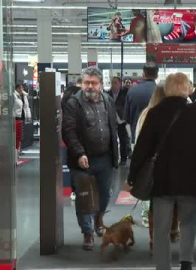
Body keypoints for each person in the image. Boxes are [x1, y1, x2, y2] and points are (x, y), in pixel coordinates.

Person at [126, 73, 196, 270]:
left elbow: (141, 150)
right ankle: (186, 262)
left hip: (163, 182)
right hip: (193, 181)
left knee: (161, 227)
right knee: (189, 223)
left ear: (167, 89)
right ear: (188, 88)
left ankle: (163, 266)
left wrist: (131, 178)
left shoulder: (154, 113)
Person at [62, 67, 119, 251]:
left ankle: (98, 220)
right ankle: (87, 232)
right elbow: (68, 131)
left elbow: (113, 127)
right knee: (84, 196)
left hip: (105, 158)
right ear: (82, 83)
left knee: (105, 194)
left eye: (94, 83)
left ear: (101, 84)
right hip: (82, 159)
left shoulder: (108, 101)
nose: (90, 86)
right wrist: (79, 153)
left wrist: (120, 152)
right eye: (86, 82)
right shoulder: (73, 103)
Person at [133, 82, 180, 253]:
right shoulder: (176, 113)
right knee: (174, 200)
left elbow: (139, 142)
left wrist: (135, 171)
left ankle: (154, 241)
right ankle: (173, 230)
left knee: (154, 204)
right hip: (174, 166)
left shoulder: (146, 114)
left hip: (152, 167)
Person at [124, 62, 159, 143]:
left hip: (137, 137)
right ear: (156, 76)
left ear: (143, 74)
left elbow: (127, 119)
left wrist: (131, 137)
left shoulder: (132, 91)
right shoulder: (162, 92)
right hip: (156, 140)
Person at [105, 77, 130, 166]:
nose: (113, 85)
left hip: (121, 119)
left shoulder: (126, 92)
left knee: (123, 139)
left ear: (120, 84)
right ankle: (113, 158)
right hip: (110, 119)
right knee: (111, 139)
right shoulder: (107, 93)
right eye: (112, 83)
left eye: (115, 83)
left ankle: (124, 158)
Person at [13, 84, 31, 157]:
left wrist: (28, 116)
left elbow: (26, 107)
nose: (21, 89)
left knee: (20, 135)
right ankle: (16, 151)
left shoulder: (24, 96)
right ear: (16, 88)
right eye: (19, 88)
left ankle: (19, 150)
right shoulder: (14, 96)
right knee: (16, 135)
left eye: (22, 88)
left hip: (22, 117)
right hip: (16, 117)